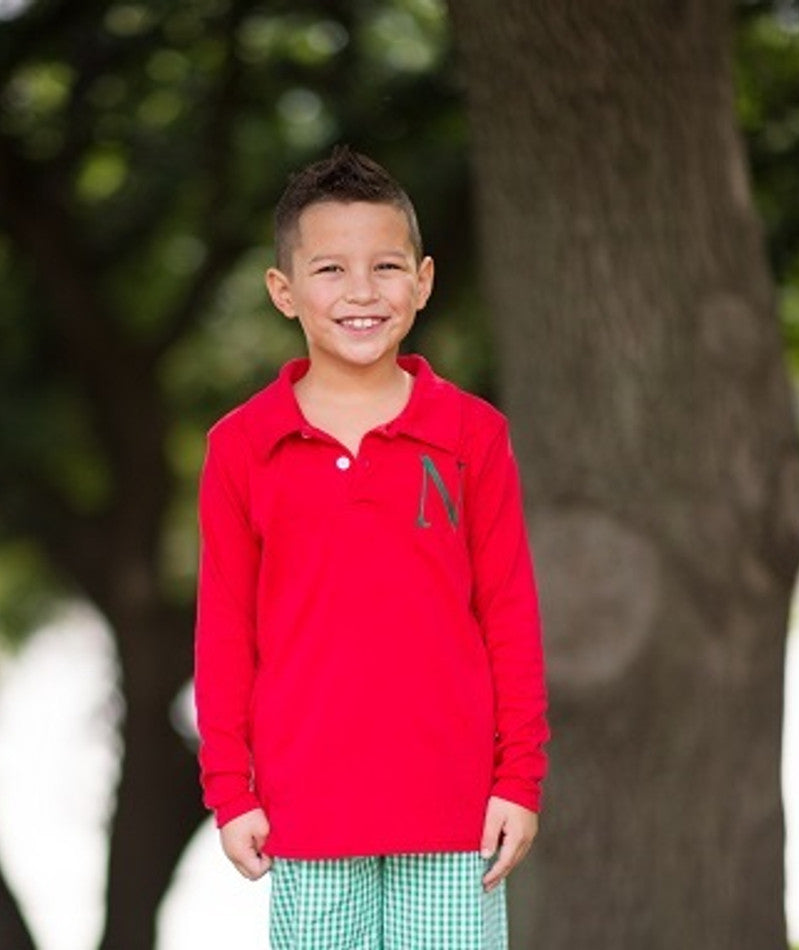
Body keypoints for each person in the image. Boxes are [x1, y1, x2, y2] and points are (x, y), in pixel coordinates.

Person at [194, 146, 549, 950]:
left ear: (422, 281)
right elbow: (224, 632)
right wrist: (230, 789)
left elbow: (509, 617)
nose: (361, 291)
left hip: (456, 807)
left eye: (386, 266)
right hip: (304, 807)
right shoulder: (242, 448)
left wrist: (519, 778)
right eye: (329, 270)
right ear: (284, 292)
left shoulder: (473, 436)